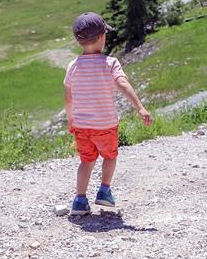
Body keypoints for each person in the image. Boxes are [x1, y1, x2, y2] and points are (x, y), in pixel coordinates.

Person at [64, 12, 152, 216]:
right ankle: (104, 190)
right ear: (103, 37)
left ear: (78, 40)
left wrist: (71, 119)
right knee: (110, 156)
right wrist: (139, 106)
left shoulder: (73, 66)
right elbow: (122, 83)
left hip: (82, 127)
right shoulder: (110, 63)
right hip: (106, 126)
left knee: (86, 161)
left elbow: (69, 98)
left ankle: (79, 200)